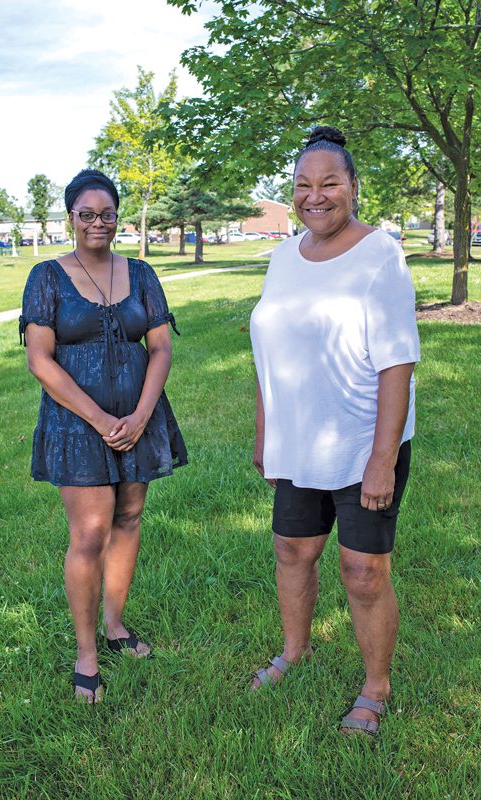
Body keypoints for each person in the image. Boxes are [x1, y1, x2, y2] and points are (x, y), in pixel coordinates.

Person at [249, 126, 420, 736]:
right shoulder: (282, 256)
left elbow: (398, 362)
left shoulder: (381, 253)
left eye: (329, 183)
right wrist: (266, 428)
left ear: (353, 187)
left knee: (363, 570)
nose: (315, 196)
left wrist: (381, 459)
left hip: (362, 441)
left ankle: (376, 687)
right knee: (293, 550)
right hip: (298, 440)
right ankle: (295, 652)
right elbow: (270, 348)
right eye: (302, 185)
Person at [19, 169, 187, 703]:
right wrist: (99, 419)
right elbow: (39, 360)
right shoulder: (46, 277)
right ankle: (87, 652)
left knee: (130, 517)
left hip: (139, 417)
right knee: (90, 534)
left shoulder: (140, 273)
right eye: (87, 214)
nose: (98, 222)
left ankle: (116, 627)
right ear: (70, 218)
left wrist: (140, 415)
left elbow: (159, 347)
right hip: (78, 422)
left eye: (107, 213)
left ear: (118, 216)